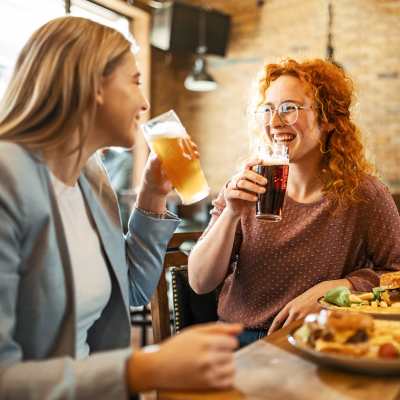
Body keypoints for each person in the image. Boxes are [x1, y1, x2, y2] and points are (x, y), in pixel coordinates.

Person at [0, 16, 242, 399]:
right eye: (135, 81)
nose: (144, 102)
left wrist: (152, 194)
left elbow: (132, 289)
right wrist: (143, 368)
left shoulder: (90, 176)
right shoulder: (7, 178)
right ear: (94, 84)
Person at [188, 58, 400, 347]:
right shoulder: (246, 185)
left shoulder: (364, 194)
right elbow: (200, 281)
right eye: (267, 109)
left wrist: (337, 289)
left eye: (289, 108)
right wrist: (231, 214)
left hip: (321, 341)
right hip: (238, 341)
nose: (275, 122)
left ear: (327, 119)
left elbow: (396, 275)